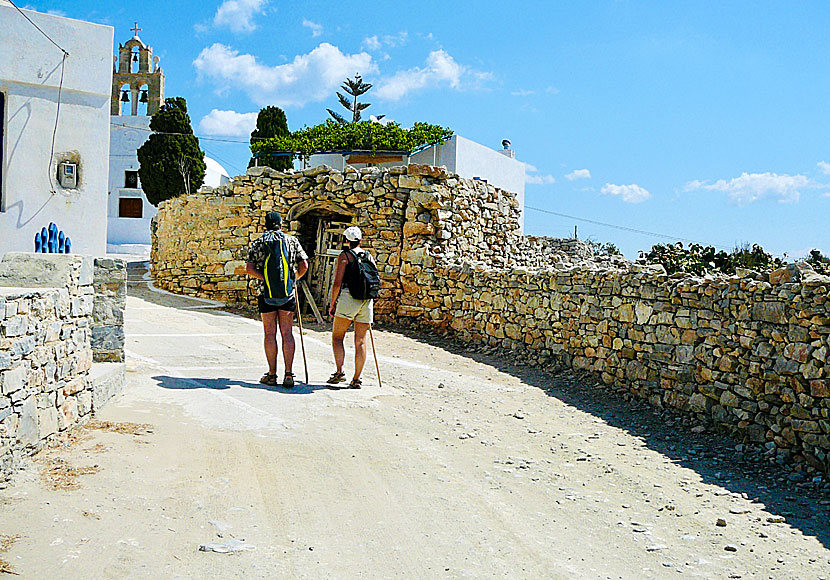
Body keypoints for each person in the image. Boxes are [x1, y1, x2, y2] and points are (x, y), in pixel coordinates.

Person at [245, 211, 308, 389]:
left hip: (266, 294)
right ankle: (289, 374)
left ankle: (272, 374)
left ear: (266, 225)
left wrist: (265, 278)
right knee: (287, 333)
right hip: (287, 293)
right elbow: (305, 265)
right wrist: (293, 278)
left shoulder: (259, 242)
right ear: (281, 225)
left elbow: (249, 268)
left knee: (269, 333)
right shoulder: (292, 241)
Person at [327, 226, 375, 389]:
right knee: (360, 341)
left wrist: (333, 304)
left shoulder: (345, 256)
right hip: (366, 300)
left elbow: (337, 283)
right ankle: (356, 378)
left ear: (346, 240)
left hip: (348, 298)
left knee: (337, 337)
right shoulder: (369, 255)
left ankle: (340, 372)